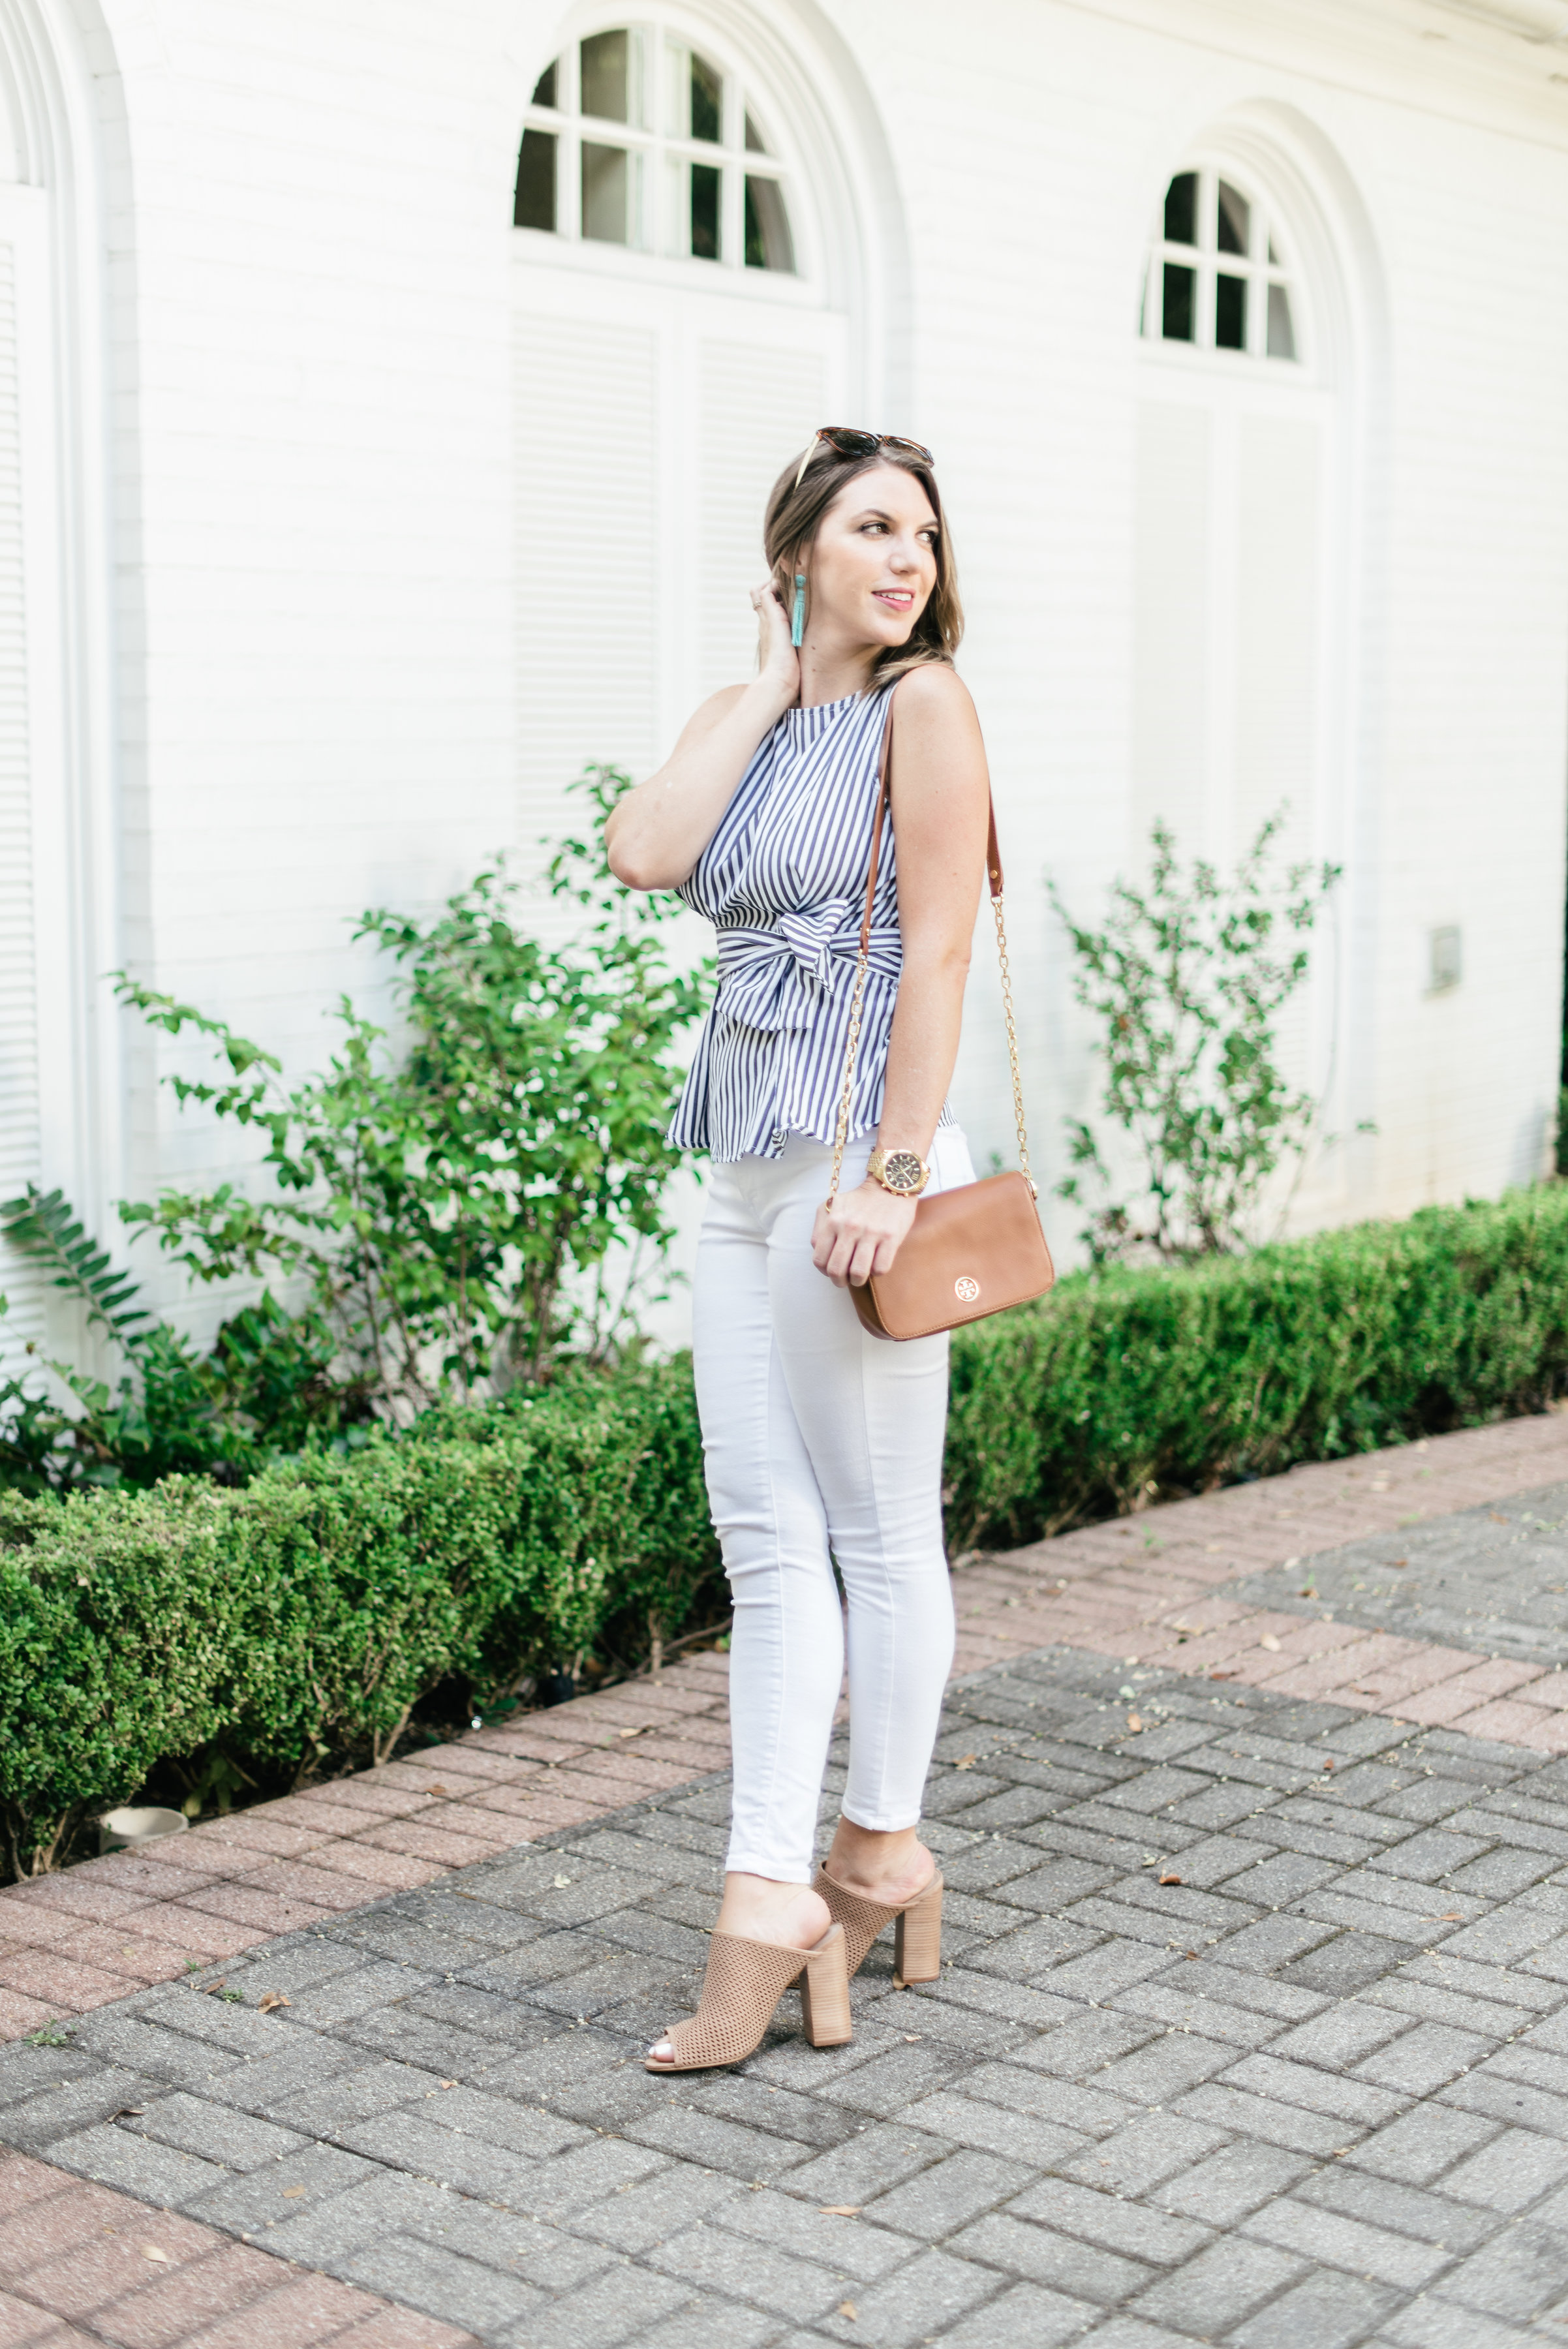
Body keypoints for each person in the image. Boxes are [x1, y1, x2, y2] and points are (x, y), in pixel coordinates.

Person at [606, 427, 991, 2072]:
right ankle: (777, 1897)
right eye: (870, 530)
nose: (905, 558)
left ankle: (873, 1848)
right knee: (763, 1540)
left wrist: (893, 1174)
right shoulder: (753, 717)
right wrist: (767, 684)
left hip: (859, 1161)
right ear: (797, 556)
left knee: (879, 1532)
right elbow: (644, 850)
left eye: (920, 533)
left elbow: (936, 948)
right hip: (741, 1166)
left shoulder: (929, 705)